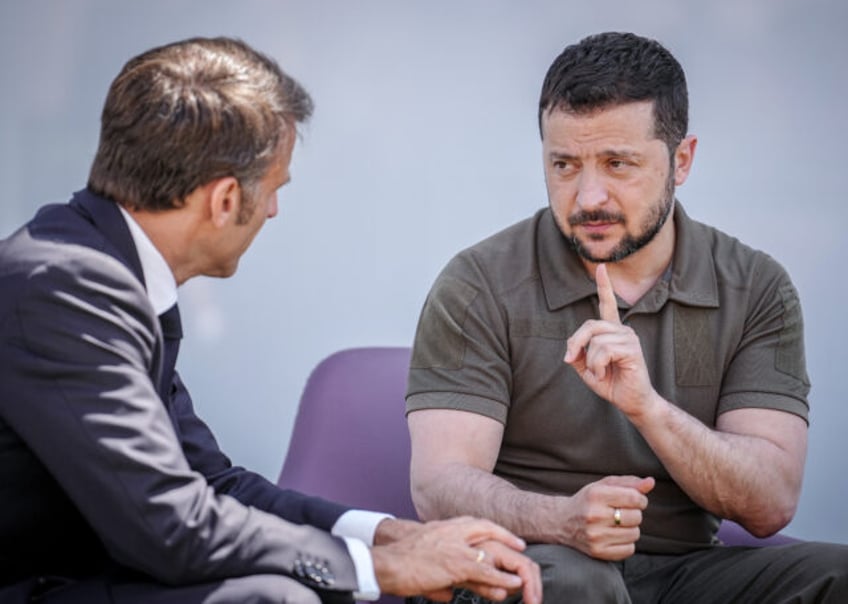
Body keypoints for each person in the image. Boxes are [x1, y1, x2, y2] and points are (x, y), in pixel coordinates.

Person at [0, 37, 542, 604]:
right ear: (226, 199)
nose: (274, 211)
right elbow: (169, 525)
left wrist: (385, 534)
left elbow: (212, 485)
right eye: (274, 189)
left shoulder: (99, 271)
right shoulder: (68, 290)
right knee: (277, 598)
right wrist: (381, 567)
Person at [405, 31, 848, 603]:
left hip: (687, 572)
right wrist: (563, 518)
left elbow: (769, 504)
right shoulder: (479, 283)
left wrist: (648, 408)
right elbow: (439, 486)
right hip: (529, 561)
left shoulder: (756, 287)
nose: (589, 196)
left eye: (618, 164)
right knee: (578, 584)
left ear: (681, 160)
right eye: (565, 164)